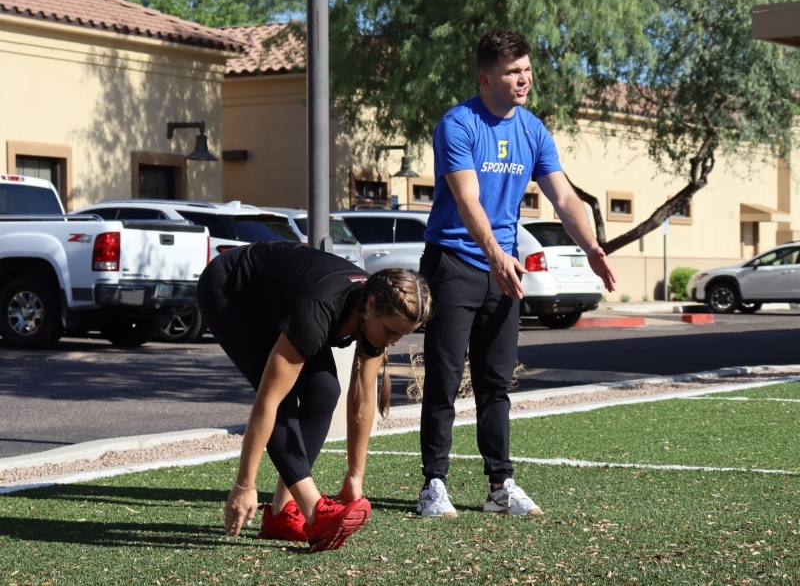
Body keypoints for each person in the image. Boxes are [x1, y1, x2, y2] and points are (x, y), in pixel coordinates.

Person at [417, 28, 616, 518]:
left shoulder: (532, 129)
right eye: (512, 72)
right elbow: (467, 198)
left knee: (496, 381)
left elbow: (564, 197)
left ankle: (499, 485)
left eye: (526, 69)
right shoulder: (458, 124)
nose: (524, 79)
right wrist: (494, 253)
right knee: (444, 378)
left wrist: (591, 246)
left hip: (503, 270)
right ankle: (434, 485)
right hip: (454, 263)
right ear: (486, 78)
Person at [197, 240, 432, 551]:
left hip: (284, 299)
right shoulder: (319, 311)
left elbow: (363, 398)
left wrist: (355, 476)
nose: (394, 342)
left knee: (324, 392)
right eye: (391, 331)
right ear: (372, 304)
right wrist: (245, 484)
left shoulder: (374, 311)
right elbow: (269, 400)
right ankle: (313, 510)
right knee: (283, 398)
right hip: (231, 289)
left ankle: (281, 513)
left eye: (402, 334)